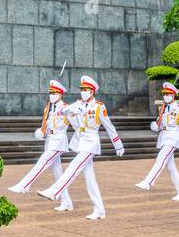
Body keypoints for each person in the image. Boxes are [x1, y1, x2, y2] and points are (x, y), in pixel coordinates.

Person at [39, 75, 125, 219]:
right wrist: (74, 117)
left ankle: (54, 191)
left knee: (74, 166)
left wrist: (118, 145)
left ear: (92, 92)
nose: (83, 92)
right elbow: (64, 111)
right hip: (81, 142)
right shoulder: (79, 104)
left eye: (85, 89)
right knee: (90, 179)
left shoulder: (98, 107)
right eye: (82, 89)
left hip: (91, 143)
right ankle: (99, 210)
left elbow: (109, 127)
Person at [8, 78, 74, 211]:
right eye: (50, 93)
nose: (52, 95)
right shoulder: (48, 108)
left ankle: (24, 185)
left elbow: (76, 124)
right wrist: (41, 132)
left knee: (42, 162)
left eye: (54, 93)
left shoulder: (66, 108)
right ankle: (66, 202)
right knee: (58, 174)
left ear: (60, 94)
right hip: (49, 141)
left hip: (59, 142)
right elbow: (46, 124)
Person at [135, 80, 179, 200]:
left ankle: (148, 182)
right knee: (171, 168)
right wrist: (161, 112)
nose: (165, 96)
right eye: (164, 94)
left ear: (173, 95)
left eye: (168, 94)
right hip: (163, 138)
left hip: (172, 138)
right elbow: (156, 127)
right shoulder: (164, 109)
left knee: (160, 159)